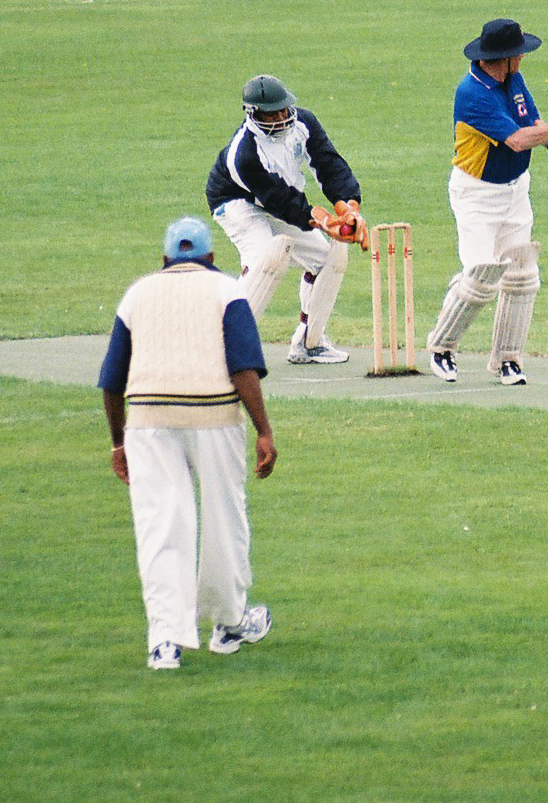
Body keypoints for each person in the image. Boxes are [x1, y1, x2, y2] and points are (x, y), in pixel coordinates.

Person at [99, 216, 277, 671]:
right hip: (214, 416)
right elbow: (243, 369)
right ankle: (228, 623)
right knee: (223, 518)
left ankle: (164, 642)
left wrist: (118, 443)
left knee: (160, 527)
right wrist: (264, 430)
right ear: (212, 258)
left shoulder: (138, 293)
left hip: (147, 422)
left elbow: (112, 381)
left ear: (163, 260)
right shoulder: (227, 291)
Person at [425, 18, 548, 385]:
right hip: (476, 194)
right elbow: (518, 140)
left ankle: (508, 360)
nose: (522, 57)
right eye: (518, 52)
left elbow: (533, 125)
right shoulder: (472, 93)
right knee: (480, 277)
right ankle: (442, 347)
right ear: (503, 57)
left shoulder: (513, 80)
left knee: (522, 275)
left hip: (516, 189)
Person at [206, 73, 368, 364]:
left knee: (326, 258)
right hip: (235, 202)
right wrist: (322, 219)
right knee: (265, 260)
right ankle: (222, 348)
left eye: (284, 108)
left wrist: (348, 208)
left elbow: (330, 165)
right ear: (253, 113)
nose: (282, 116)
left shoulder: (303, 123)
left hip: (280, 201)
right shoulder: (243, 154)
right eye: (272, 113)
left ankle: (309, 343)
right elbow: (278, 199)